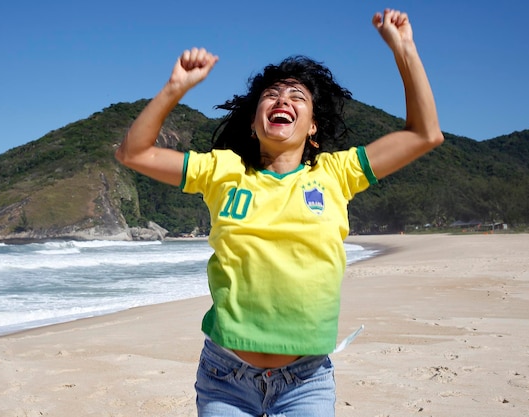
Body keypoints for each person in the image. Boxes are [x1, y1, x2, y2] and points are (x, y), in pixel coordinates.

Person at [115, 8, 443, 417]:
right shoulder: (222, 171)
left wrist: (404, 49)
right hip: (225, 377)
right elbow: (134, 153)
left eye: (296, 97)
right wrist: (174, 87)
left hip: (306, 381)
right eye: (270, 95)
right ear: (254, 123)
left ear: (312, 128)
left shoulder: (337, 173)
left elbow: (425, 133)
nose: (282, 100)